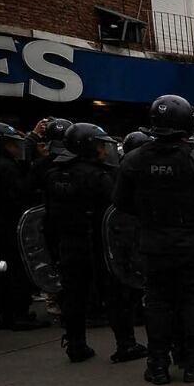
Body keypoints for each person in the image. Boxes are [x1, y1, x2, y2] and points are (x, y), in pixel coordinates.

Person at [114, 95, 194, 384]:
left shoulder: (134, 159)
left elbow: (121, 203)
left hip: (153, 244)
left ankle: (157, 364)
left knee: (158, 302)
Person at [44, 123, 146, 364]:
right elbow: (119, 209)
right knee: (114, 294)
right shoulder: (99, 176)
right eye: (100, 145)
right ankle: (125, 344)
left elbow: (48, 215)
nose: (104, 151)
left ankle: (76, 344)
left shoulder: (53, 174)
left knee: (73, 296)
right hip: (98, 243)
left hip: (68, 243)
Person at [0, 121, 49, 331]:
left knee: (3, 272)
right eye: (12, 144)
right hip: (9, 224)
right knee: (17, 271)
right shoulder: (5, 167)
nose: (17, 148)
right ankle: (18, 314)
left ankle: (7, 312)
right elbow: (19, 194)